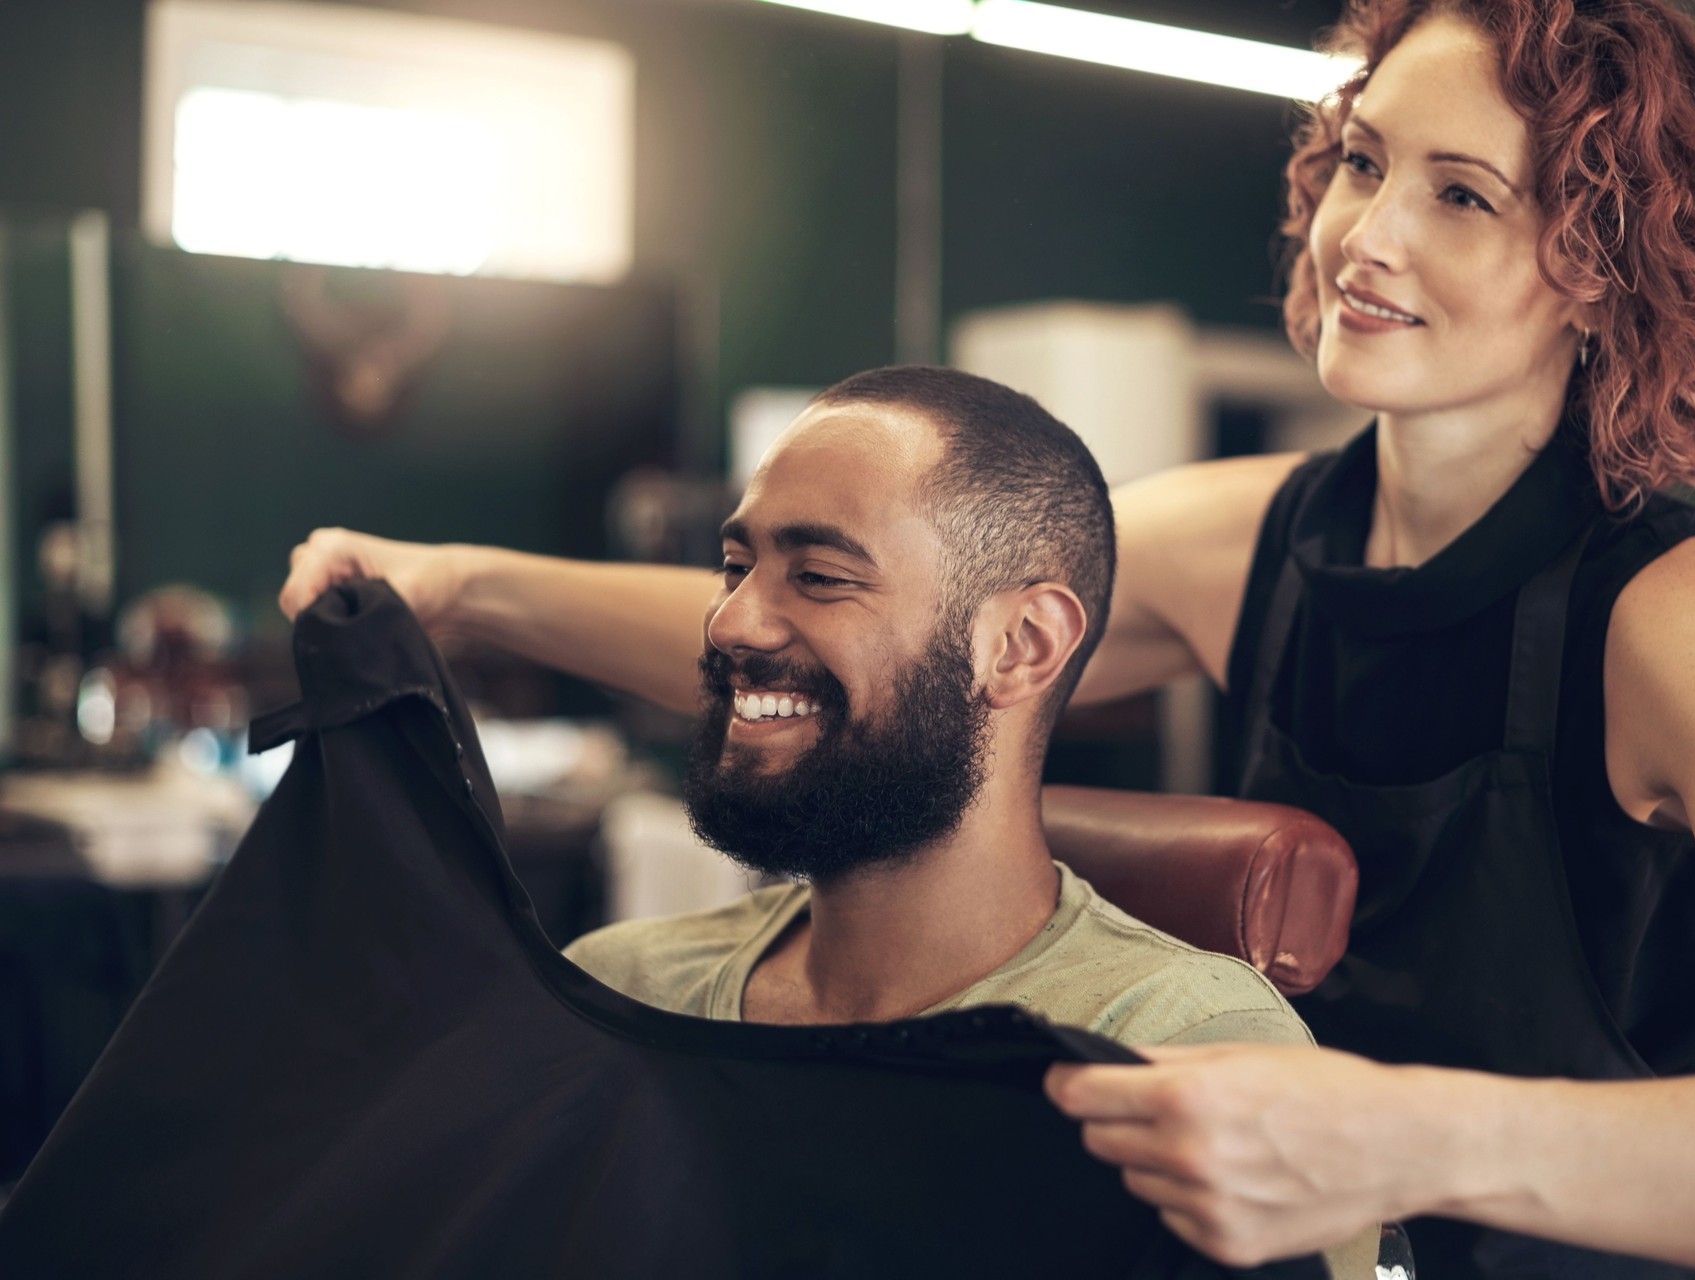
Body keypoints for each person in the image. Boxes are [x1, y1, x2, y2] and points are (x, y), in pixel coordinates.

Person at [279, 3, 1695, 1272]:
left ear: (1595, 265)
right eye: (1363, 161)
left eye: (1460, 194)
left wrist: (1408, 1141)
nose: (1370, 238)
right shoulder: (1258, 536)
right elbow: (861, 641)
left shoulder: (1685, 614)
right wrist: (470, 588)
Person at [284, 366, 1378, 1277]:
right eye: (734, 564)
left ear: (1022, 647)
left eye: (818, 574)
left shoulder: (1183, 1048)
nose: (730, 619)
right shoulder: (617, 993)